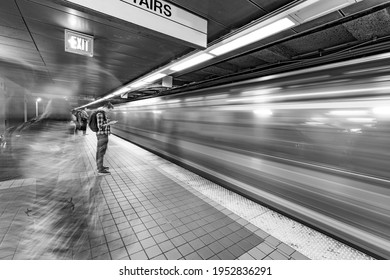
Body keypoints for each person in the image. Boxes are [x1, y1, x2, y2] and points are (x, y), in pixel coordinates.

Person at [95, 102, 117, 174]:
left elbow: (103, 124)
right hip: (102, 135)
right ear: (106, 107)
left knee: (101, 152)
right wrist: (110, 123)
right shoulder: (100, 114)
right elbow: (100, 126)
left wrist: (108, 130)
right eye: (110, 110)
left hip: (104, 135)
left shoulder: (103, 114)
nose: (110, 111)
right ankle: (100, 169)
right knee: (100, 152)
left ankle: (100, 166)